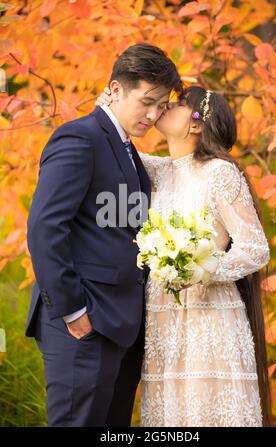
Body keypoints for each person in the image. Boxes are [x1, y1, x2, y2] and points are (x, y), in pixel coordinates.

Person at [25, 43, 182, 427]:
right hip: (83, 322)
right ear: (114, 89)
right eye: (146, 101)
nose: (153, 114)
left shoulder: (128, 150)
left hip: (121, 325)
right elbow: (45, 228)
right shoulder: (80, 138)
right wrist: (72, 310)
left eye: (161, 105)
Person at [96, 86, 271, 426]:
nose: (163, 106)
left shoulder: (219, 172)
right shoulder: (160, 172)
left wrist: (200, 268)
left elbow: (255, 248)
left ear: (196, 123)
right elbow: (116, 148)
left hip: (208, 315)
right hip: (163, 320)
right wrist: (110, 108)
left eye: (175, 103)